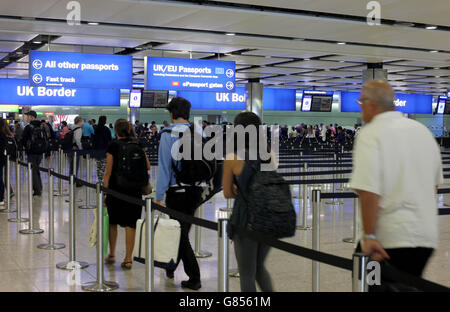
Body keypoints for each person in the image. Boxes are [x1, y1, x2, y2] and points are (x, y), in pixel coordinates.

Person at [349, 80, 443, 291]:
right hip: (423, 241)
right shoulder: (423, 132)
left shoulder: (371, 133)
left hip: (385, 241)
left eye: (361, 101)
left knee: (370, 287)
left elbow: (369, 190)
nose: (360, 105)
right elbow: (433, 188)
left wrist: (370, 236)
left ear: (371, 104)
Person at [222, 111, 274, 292]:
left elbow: (227, 192)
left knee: (246, 273)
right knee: (259, 267)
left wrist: (239, 188)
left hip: (245, 219)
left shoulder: (232, 158)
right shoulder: (268, 153)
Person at [155, 97, 204, 290]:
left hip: (177, 193)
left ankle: (195, 277)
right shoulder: (199, 132)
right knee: (181, 231)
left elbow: (165, 168)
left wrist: (159, 195)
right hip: (195, 192)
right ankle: (170, 266)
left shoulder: (168, 133)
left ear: (172, 114)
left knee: (181, 236)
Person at [103, 119, 151, 270]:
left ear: (116, 131)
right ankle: (128, 258)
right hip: (135, 191)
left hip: (116, 190)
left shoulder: (113, 145)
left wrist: (105, 192)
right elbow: (148, 166)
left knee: (113, 222)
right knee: (131, 224)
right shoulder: (138, 144)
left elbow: (108, 172)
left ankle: (111, 254)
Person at [21, 111, 47, 196]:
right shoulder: (42, 127)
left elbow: (24, 139)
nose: (27, 118)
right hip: (40, 152)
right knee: (36, 169)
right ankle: (39, 187)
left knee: (33, 171)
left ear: (32, 117)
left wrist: (25, 148)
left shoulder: (28, 127)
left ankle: (37, 190)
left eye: (28, 116)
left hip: (31, 152)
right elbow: (46, 139)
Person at [92, 116, 112, 182]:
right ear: (105, 121)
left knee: (98, 165)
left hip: (96, 149)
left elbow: (93, 138)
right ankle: (102, 179)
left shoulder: (95, 128)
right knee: (103, 165)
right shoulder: (106, 129)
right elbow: (110, 139)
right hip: (104, 149)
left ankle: (99, 179)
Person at [0, 119, 13, 205]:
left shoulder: (1, 135)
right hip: (3, 159)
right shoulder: (6, 134)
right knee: (1, 177)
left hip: (1, 159)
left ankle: (1, 198)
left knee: (0, 178)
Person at [69, 116, 83, 185]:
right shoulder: (79, 129)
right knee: (75, 165)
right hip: (76, 148)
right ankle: (74, 180)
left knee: (71, 164)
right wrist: (80, 148)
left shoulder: (71, 127)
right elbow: (77, 139)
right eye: (82, 121)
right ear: (79, 121)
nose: (82, 123)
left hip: (70, 148)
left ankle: (71, 178)